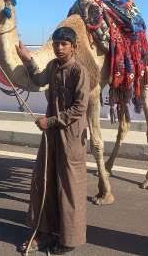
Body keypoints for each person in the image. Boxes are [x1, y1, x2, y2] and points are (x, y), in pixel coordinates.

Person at [16, 27, 89, 255]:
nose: (59, 48)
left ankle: (69, 239)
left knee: (69, 187)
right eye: (57, 43)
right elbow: (38, 80)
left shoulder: (79, 71)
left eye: (64, 44)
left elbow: (80, 107)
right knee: (44, 180)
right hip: (52, 135)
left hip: (71, 137)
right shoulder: (53, 67)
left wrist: (52, 121)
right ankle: (44, 231)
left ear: (74, 47)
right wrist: (27, 60)